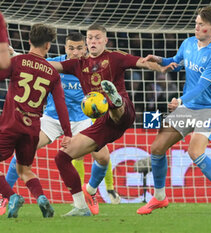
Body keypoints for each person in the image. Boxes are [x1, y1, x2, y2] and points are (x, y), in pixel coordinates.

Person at [49, 24, 173, 216]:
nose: (93, 41)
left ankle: (113, 99)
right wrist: (20, 60)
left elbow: (142, 62)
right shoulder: (77, 64)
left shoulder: (115, 57)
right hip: (102, 124)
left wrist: (162, 66)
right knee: (62, 158)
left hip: (124, 113)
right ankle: (82, 204)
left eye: (97, 38)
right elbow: (50, 66)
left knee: (115, 107)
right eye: (89, 38)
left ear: (105, 41)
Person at [0, 32, 121, 216]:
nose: (75, 52)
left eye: (79, 48)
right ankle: (5, 197)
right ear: (65, 48)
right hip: (51, 119)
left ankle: (90, 191)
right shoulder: (57, 64)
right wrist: (14, 53)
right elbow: (33, 64)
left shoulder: (93, 69)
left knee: (103, 157)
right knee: (22, 152)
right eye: (71, 48)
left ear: (85, 48)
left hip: (82, 120)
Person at [136, 6, 211, 216]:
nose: (197, 27)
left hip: (209, 109)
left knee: (195, 152)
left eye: (201, 24)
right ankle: (159, 198)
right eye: (196, 23)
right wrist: (159, 60)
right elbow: (175, 63)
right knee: (157, 148)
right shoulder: (189, 43)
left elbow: (202, 86)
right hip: (188, 107)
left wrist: (180, 100)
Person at [0, 23, 71, 218]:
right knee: (25, 170)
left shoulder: (18, 62)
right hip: (32, 128)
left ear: (29, 40)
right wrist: (68, 133)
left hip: (10, 124)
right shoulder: (53, 73)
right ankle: (41, 198)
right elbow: (61, 106)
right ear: (48, 46)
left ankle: (11, 196)